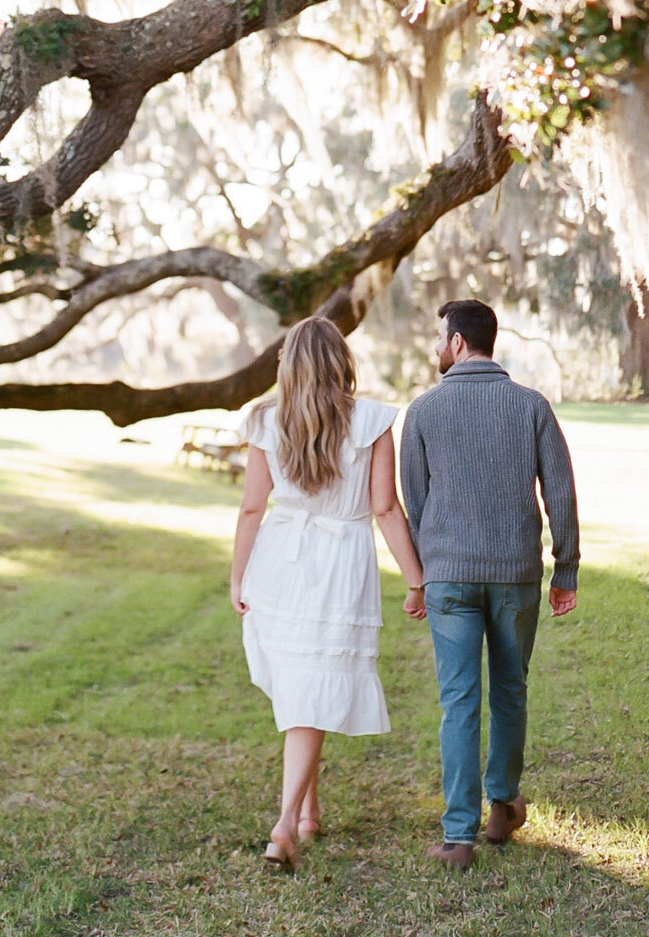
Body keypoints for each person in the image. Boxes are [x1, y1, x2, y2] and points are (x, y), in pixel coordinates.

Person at [230, 315, 427, 871]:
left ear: (287, 365)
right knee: (309, 687)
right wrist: (415, 579)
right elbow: (385, 508)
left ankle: (309, 812)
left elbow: (251, 507)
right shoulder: (369, 421)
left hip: (279, 562)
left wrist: (238, 575)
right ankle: (285, 825)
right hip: (337, 563)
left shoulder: (267, 421)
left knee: (304, 685)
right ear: (342, 361)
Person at [399, 297, 580, 870]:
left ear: (457, 342)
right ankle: (501, 806)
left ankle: (459, 837)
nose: (435, 347)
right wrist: (565, 568)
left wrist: (425, 575)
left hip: (449, 576)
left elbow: (416, 505)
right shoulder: (531, 406)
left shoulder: (423, 411)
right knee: (509, 691)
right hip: (515, 576)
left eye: (438, 337)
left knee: (459, 703)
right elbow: (562, 493)